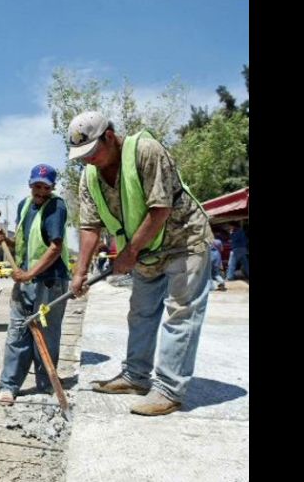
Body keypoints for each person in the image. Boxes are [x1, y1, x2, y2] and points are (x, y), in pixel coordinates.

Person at [67, 110, 214, 416]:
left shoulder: (146, 151)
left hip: (183, 240)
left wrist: (129, 253)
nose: (88, 160)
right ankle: (135, 376)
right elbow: (90, 227)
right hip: (147, 249)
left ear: (109, 136)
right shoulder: (89, 176)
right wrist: (80, 272)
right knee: (141, 313)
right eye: (82, 156)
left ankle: (169, 389)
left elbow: (160, 209)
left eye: (92, 152)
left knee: (181, 313)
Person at [0, 163, 71, 406]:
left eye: (46, 187)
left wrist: (29, 274)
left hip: (50, 282)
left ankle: (46, 383)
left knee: (46, 333)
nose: (41, 191)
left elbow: (55, 247)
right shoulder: (24, 205)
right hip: (25, 280)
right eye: (37, 186)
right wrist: (6, 240)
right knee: (17, 331)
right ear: (30, 184)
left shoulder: (56, 207)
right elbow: (23, 244)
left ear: (52, 187)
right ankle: (9, 386)